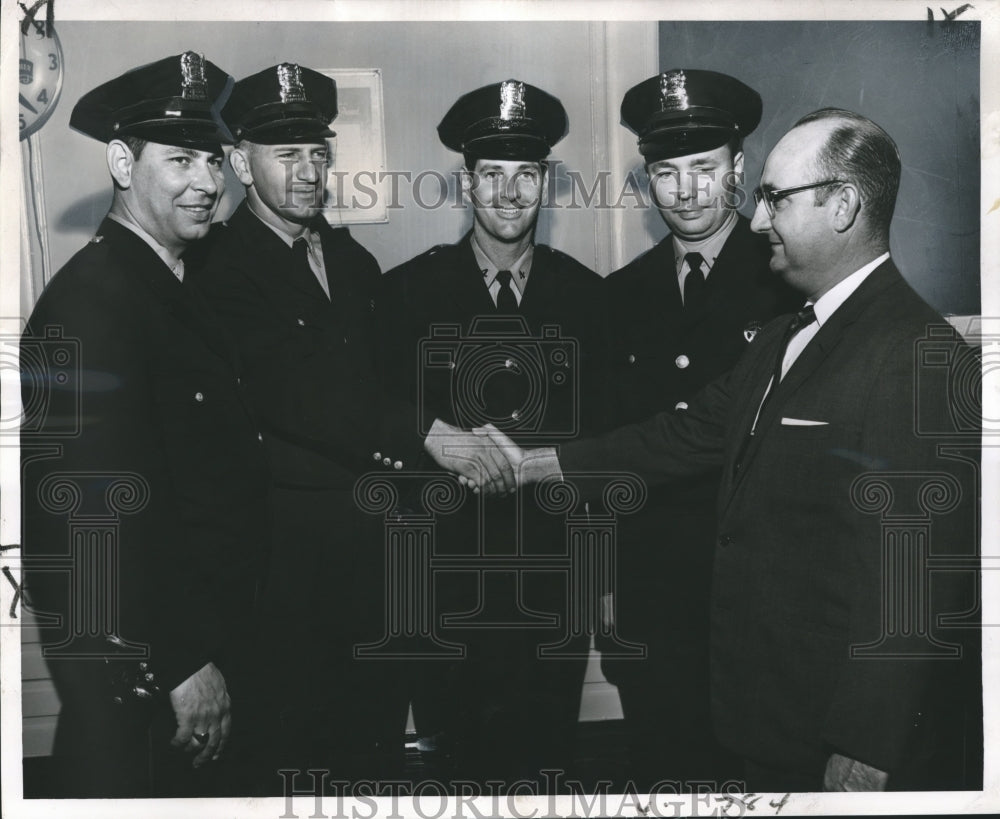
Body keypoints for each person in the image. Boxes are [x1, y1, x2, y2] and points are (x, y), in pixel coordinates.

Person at [476, 108, 981, 792]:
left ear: (842, 205)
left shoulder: (917, 352)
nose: (760, 219)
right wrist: (534, 462)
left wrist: (866, 748)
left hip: (834, 731)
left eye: (776, 198)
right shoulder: (784, 336)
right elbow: (678, 436)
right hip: (768, 712)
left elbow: (915, 587)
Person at [20, 53, 270, 797]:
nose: (206, 182)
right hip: (151, 672)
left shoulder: (169, 280)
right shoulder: (93, 303)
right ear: (123, 163)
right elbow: (90, 525)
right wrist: (182, 662)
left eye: (215, 160)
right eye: (181, 159)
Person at [379, 79, 607, 789]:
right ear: (466, 183)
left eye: (527, 175)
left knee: (549, 763)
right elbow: (383, 424)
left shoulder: (589, 297)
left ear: (546, 184)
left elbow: (604, 437)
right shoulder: (405, 293)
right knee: (457, 769)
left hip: (552, 583)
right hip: (444, 583)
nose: (510, 194)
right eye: (493, 175)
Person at [192, 63, 409, 786]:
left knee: (367, 744)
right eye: (287, 154)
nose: (310, 170)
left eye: (318, 151)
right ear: (241, 164)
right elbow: (289, 392)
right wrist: (431, 431)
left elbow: (381, 382)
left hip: (371, 557)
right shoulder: (213, 268)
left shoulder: (356, 262)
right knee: (283, 749)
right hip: (278, 567)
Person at [598, 69, 800, 791]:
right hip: (652, 591)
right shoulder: (618, 296)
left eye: (704, 169)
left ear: (738, 170)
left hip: (760, 589)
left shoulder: (788, 282)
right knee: (662, 769)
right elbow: (610, 447)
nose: (685, 192)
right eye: (666, 172)